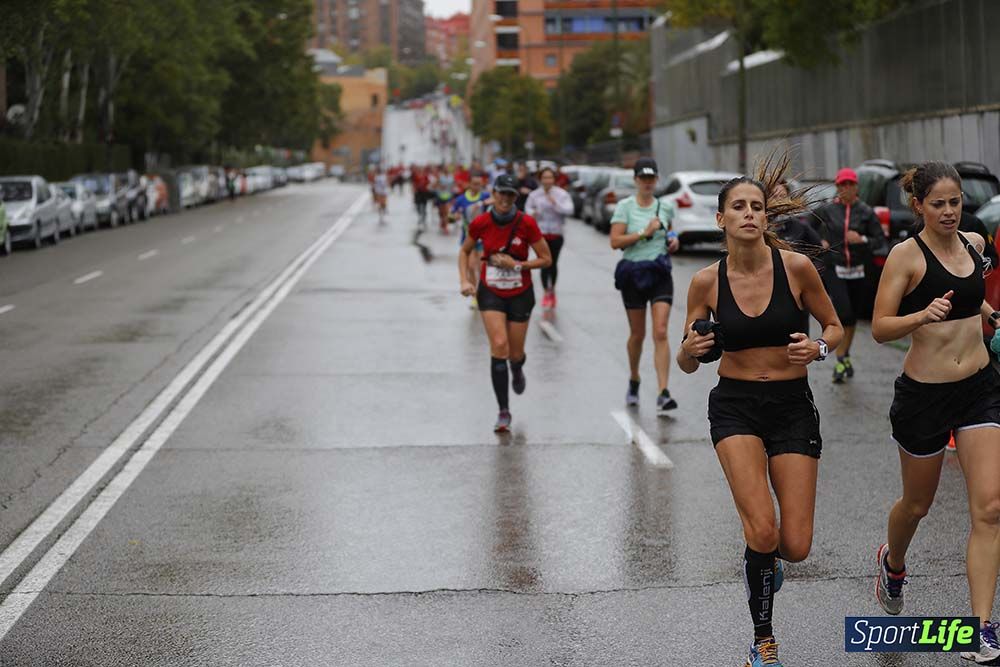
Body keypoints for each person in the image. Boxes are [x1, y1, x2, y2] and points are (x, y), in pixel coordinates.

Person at [678, 158, 843, 667]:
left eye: (757, 206)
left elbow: (834, 328)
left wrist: (818, 349)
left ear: (767, 217)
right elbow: (686, 361)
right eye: (739, 207)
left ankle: (766, 561)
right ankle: (763, 640)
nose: (749, 213)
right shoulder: (706, 281)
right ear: (721, 219)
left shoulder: (796, 269)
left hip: (793, 407)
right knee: (763, 531)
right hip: (736, 408)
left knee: (795, 545)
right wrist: (692, 349)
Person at [870, 162, 1000, 665]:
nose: (949, 211)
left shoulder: (974, 243)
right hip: (924, 395)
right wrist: (921, 315)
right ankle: (893, 563)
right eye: (938, 203)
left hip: (980, 389)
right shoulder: (906, 256)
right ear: (919, 205)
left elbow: (971, 300)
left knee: (990, 508)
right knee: (917, 505)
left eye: (955, 202)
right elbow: (880, 327)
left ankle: (981, 628)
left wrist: (990, 315)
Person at [458, 174, 552, 432]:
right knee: (499, 345)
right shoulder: (481, 222)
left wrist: (518, 265)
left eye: (511, 195)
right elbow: (465, 251)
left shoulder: (527, 223)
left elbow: (546, 259)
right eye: (502, 193)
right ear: (494, 193)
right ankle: (503, 411)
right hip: (491, 291)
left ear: (515, 197)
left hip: (521, 293)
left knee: (514, 353)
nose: (505, 199)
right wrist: (464, 280)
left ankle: (517, 367)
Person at [609, 157, 680, 414]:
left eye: (651, 178)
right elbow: (615, 241)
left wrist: (674, 241)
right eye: (643, 178)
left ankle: (663, 391)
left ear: (656, 179)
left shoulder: (665, 206)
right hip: (633, 274)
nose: (647, 182)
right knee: (637, 334)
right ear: (636, 180)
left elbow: (670, 232)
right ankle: (634, 377)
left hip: (659, 273)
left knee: (660, 331)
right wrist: (644, 233)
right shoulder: (624, 207)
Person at [812, 167, 888, 382]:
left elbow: (881, 242)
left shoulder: (866, 212)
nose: (846, 188)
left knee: (852, 316)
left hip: (859, 270)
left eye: (850, 184)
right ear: (837, 187)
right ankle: (840, 358)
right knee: (843, 312)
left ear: (856, 187)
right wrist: (820, 241)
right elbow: (808, 228)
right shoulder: (827, 210)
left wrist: (862, 239)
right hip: (835, 268)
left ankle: (844, 356)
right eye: (842, 185)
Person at [525, 167, 574, 310]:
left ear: (554, 179)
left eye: (550, 178)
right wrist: (533, 213)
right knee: (543, 263)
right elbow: (527, 209)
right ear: (540, 179)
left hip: (556, 233)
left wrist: (555, 203)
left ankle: (552, 290)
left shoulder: (561, 194)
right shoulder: (534, 195)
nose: (547, 181)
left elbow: (569, 210)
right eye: (544, 178)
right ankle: (546, 292)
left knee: (553, 263)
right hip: (540, 235)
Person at [452, 172, 491, 307]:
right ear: (469, 184)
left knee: (482, 267)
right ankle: (475, 296)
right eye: (474, 184)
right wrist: (455, 216)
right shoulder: (461, 199)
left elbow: (496, 200)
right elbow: (452, 215)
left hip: (483, 238)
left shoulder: (485, 196)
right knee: (470, 267)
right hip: (468, 238)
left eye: (479, 184)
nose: (477, 186)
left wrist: (480, 203)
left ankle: (483, 293)